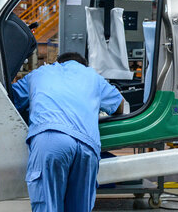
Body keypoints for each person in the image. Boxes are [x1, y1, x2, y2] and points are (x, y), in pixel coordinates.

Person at [12, 52, 125, 212]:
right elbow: (118, 104)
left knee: (48, 205)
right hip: (86, 145)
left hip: (50, 138)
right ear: (84, 65)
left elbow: (10, 99)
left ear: (57, 63)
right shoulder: (92, 76)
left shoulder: (39, 73)